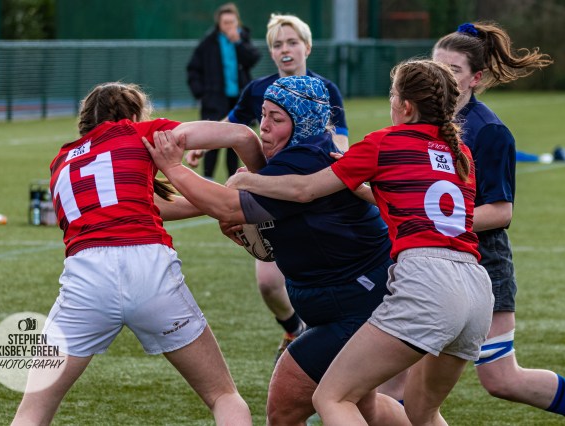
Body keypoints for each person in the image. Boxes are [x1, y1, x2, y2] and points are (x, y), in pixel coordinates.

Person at [227, 59, 496, 425]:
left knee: (332, 398)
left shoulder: (383, 142)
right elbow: (414, 204)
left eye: (392, 95)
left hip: (429, 283)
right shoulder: (461, 154)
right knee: (422, 413)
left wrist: (246, 181)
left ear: (405, 106)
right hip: (477, 289)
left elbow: (304, 190)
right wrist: (363, 188)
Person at [143, 75, 408, 425]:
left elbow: (227, 205)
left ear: (302, 123)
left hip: (357, 305)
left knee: (284, 409)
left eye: (277, 118)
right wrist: (244, 209)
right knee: (364, 407)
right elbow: (268, 236)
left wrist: (173, 168)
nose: (265, 126)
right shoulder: (299, 154)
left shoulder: (303, 160)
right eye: (263, 114)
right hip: (355, 299)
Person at [11, 82, 266, 426]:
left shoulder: (60, 162)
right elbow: (242, 135)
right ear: (132, 115)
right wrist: (263, 186)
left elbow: (143, 203)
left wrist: (220, 200)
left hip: (86, 278)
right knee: (223, 397)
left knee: (32, 411)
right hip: (149, 268)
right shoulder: (138, 132)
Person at [429, 21, 565, 425]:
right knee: (399, 383)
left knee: (502, 379)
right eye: (435, 67)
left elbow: (500, 212)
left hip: (483, 266)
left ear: (475, 78)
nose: (440, 77)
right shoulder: (420, 121)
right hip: (429, 264)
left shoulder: (488, 131)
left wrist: (435, 220)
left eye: (452, 70)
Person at [187, 13, 350, 362]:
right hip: (271, 196)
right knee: (268, 283)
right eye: (277, 44)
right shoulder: (258, 89)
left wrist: (310, 165)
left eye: (292, 42)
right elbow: (232, 126)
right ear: (271, 52)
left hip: (311, 199)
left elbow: (340, 145)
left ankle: (321, 341)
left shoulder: (323, 90)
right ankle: (293, 329)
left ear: (307, 47)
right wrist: (201, 143)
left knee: (319, 281)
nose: (285, 49)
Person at [186, 2, 261, 179]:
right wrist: (201, 93)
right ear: (219, 24)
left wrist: (238, 43)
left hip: (238, 99)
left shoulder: (242, 39)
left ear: (237, 22)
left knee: (234, 142)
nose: (228, 26)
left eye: (231, 22)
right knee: (211, 139)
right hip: (214, 99)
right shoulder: (208, 42)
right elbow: (193, 69)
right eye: (225, 22)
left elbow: (253, 59)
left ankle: (232, 180)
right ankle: (208, 179)